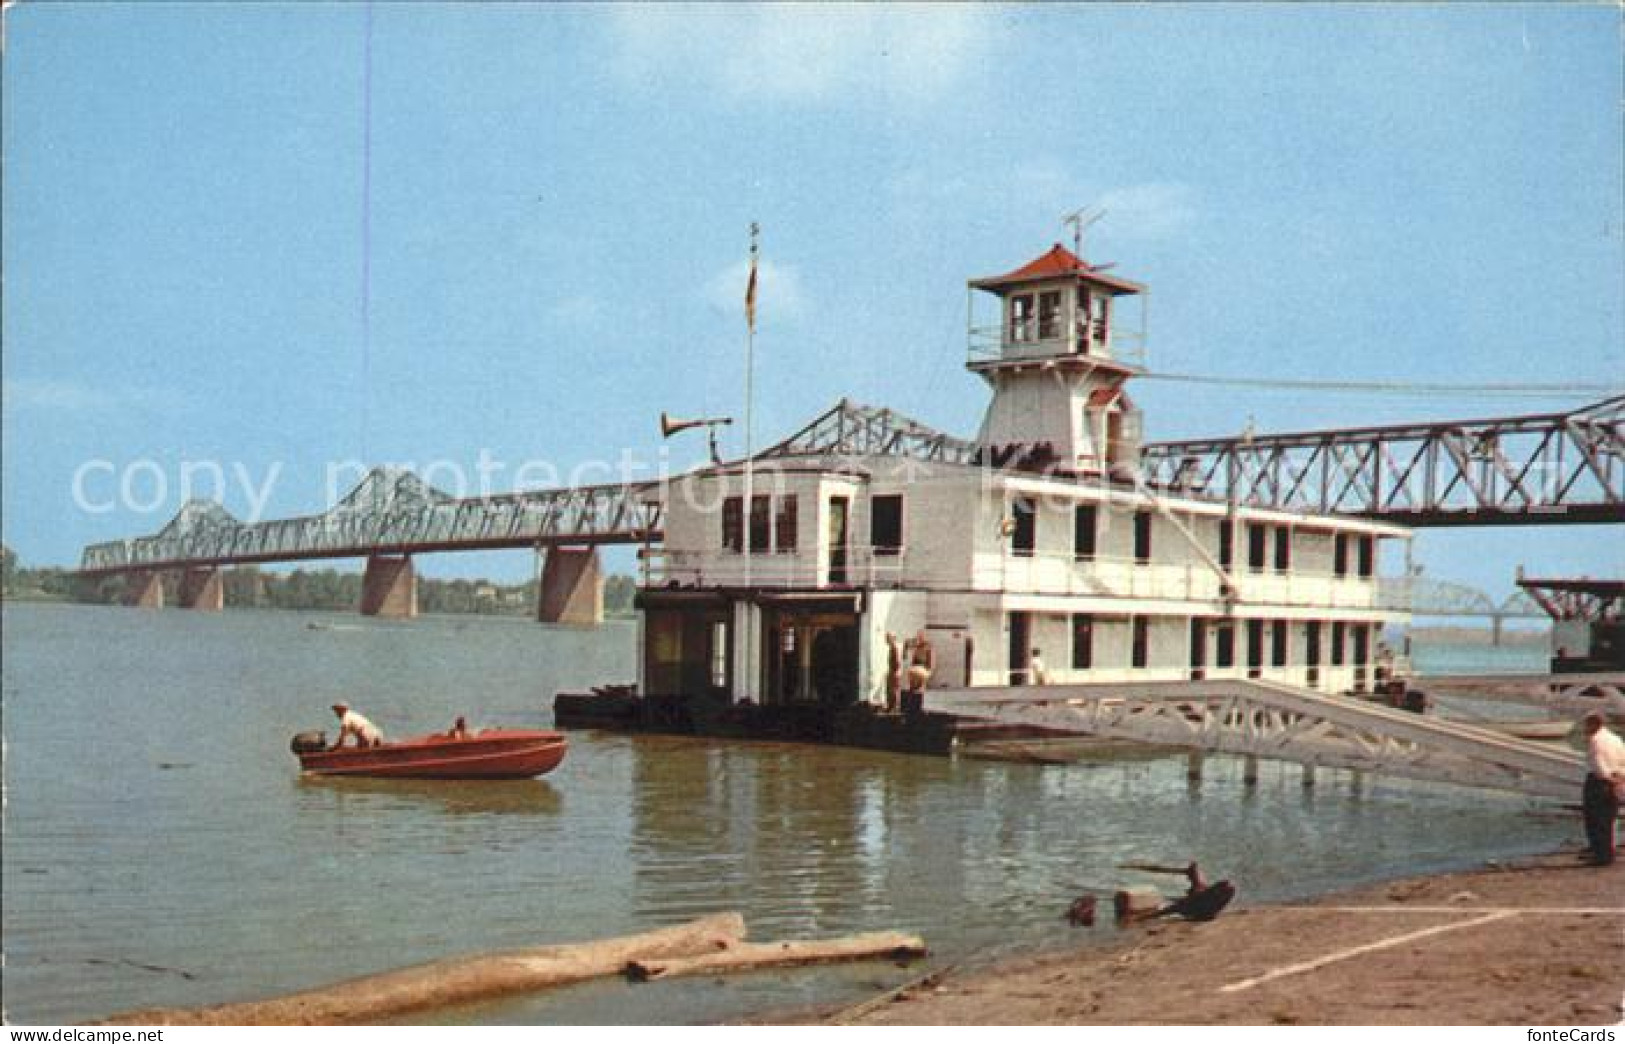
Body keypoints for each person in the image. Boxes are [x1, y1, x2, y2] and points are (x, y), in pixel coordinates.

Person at [1580, 713, 1625, 866]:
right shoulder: (1615, 738)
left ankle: (1601, 855)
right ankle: (1607, 852)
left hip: (1600, 781)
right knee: (1608, 818)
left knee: (1595, 819)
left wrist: (1606, 777)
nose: (1585, 729)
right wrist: (1619, 778)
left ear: (1593, 724)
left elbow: (1598, 764)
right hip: (1617, 778)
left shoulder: (1596, 740)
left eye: (1586, 725)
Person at [884, 632, 902, 714]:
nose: (886, 639)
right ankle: (891, 706)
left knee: (893, 690)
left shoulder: (895, 647)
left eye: (888, 637)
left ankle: (894, 708)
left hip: (894, 672)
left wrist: (894, 672)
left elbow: (897, 662)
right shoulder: (892, 647)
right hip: (893, 671)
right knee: (891, 690)